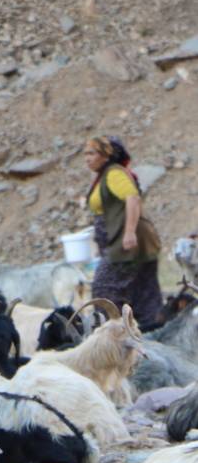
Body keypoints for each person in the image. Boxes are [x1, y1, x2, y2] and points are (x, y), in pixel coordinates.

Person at [83, 136, 163, 327]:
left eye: (92, 153)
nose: (87, 158)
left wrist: (129, 232)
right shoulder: (105, 176)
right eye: (85, 153)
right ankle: (149, 334)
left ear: (105, 155)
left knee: (105, 290)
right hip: (126, 244)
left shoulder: (114, 174)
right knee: (142, 292)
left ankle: (110, 336)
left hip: (127, 245)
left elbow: (132, 198)